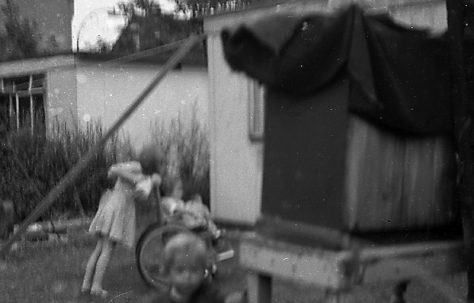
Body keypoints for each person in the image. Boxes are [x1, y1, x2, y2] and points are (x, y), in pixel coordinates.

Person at [80, 149, 161, 298]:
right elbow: (118, 172)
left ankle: (86, 285)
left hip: (111, 206)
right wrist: (145, 180)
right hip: (116, 210)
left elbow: (137, 191)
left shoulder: (136, 170)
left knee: (99, 248)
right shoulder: (137, 170)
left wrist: (143, 182)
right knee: (107, 250)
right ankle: (96, 286)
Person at [142, 233, 226, 303]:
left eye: (194, 270)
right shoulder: (158, 301)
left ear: (203, 270)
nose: (187, 276)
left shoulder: (212, 298)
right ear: (168, 271)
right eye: (180, 270)